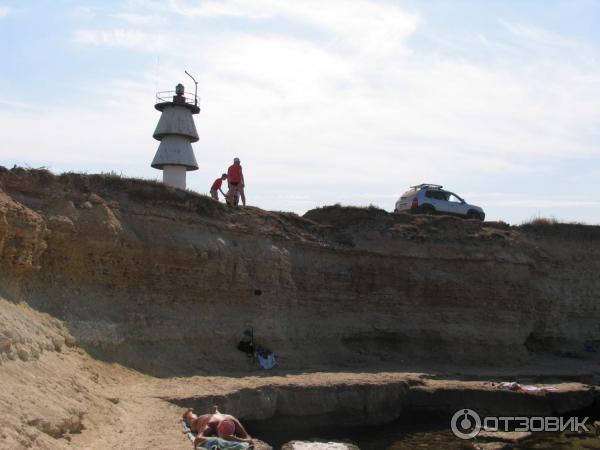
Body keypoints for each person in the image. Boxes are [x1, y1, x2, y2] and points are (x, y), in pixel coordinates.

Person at [182, 406, 253, 446]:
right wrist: (218, 439)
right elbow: (197, 439)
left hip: (221, 416)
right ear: (217, 430)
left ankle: (215, 411)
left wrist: (243, 440)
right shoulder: (209, 426)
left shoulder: (232, 420)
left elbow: (247, 437)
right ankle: (189, 413)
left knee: (217, 415)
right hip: (203, 419)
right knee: (193, 424)